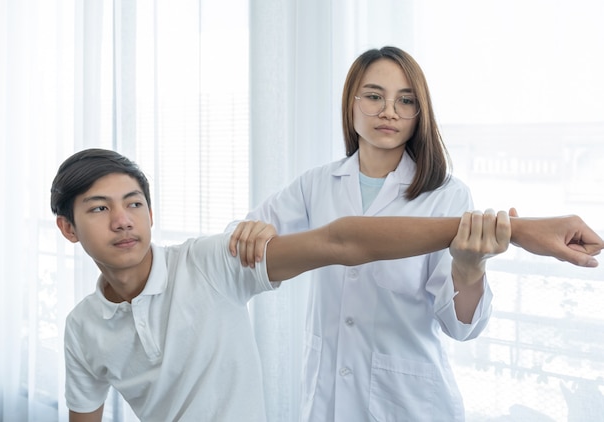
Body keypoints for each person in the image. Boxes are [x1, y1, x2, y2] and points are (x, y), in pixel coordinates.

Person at [52, 148, 602, 422]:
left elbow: (343, 241)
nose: (123, 220)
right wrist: (256, 228)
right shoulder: (81, 329)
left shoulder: (207, 265)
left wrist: (524, 230)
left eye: (134, 204)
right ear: (69, 229)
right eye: (100, 209)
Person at [229, 46, 604, 421]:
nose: (389, 111)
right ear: (351, 103)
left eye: (405, 101)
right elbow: (237, 244)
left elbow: (460, 328)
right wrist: (251, 230)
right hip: (327, 398)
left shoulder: (447, 194)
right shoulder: (316, 185)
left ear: (418, 113)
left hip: (408, 404)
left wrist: (469, 267)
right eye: (374, 96)